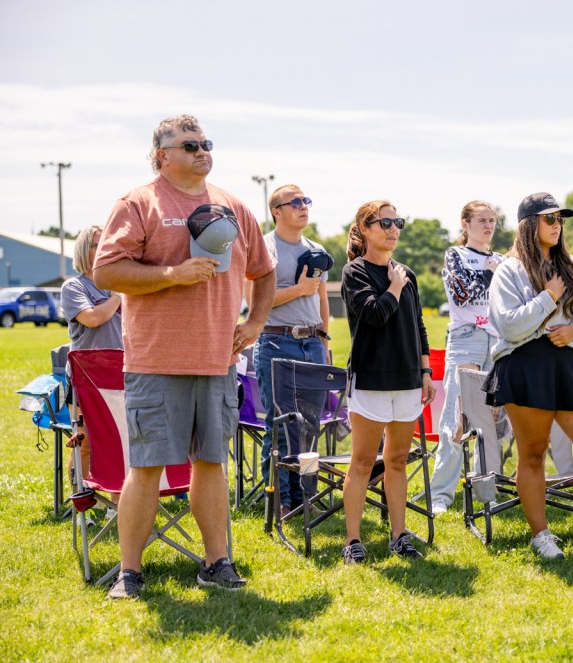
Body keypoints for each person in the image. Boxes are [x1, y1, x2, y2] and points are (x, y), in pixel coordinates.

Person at [93, 114, 276, 599]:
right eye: (190, 145)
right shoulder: (139, 203)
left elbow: (264, 271)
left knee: (211, 464)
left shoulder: (233, 205)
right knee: (147, 467)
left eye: (206, 143)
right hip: (155, 361)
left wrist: (255, 324)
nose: (202, 151)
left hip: (217, 361)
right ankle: (129, 572)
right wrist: (173, 274)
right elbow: (106, 271)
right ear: (162, 156)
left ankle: (217, 562)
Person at [486, 192, 573, 559]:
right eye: (549, 218)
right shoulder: (510, 270)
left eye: (560, 218)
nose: (556, 224)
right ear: (529, 224)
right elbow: (508, 326)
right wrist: (548, 297)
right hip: (525, 364)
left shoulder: (572, 265)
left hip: (568, 362)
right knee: (532, 454)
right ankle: (541, 535)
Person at [340, 201, 434, 563]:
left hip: (408, 380)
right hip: (371, 380)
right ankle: (352, 540)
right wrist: (394, 287)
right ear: (365, 229)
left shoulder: (407, 273)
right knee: (363, 462)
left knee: (396, 461)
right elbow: (375, 314)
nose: (394, 229)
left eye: (398, 222)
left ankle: (399, 536)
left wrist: (425, 372)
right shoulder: (355, 272)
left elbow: (418, 325)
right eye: (385, 223)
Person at [249, 184, 332, 517]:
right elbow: (253, 300)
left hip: (311, 343)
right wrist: (298, 289)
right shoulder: (263, 248)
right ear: (276, 211)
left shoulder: (317, 249)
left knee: (310, 426)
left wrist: (324, 341)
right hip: (275, 342)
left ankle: (305, 496)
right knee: (280, 426)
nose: (303, 206)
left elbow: (322, 297)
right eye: (294, 202)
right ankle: (280, 500)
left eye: (305, 200)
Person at [429, 200, 503, 515]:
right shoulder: (456, 255)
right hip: (466, 339)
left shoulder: (501, 260)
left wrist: (495, 271)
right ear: (465, 224)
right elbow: (462, 295)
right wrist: (490, 274)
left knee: (490, 419)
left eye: (492, 220)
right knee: (457, 418)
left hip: (497, 341)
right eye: (481, 220)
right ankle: (440, 495)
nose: (488, 226)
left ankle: (486, 491)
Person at [61, 226, 124, 509]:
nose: (104, 248)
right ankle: (84, 503)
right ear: (84, 249)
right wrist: (118, 297)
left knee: (118, 442)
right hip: (85, 377)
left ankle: (116, 505)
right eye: (98, 243)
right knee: (84, 441)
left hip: (121, 376)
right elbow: (93, 318)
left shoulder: (118, 283)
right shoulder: (74, 287)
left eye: (107, 243)